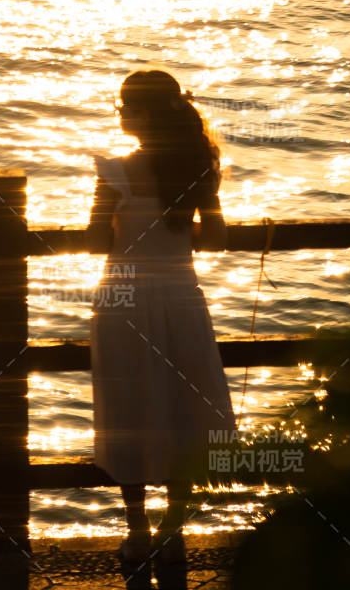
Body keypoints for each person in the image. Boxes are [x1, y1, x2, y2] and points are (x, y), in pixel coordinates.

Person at [88, 70, 235, 590]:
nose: (119, 113)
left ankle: (137, 529)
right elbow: (215, 238)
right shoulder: (199, 170)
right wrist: (177, 231)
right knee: (184, 408)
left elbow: (93, 240)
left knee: (130, 410)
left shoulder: (114, 173)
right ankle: (174, 532)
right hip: (181, 299)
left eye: (125, 105)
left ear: (146, 115)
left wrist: (129, 230)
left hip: (124, 301)